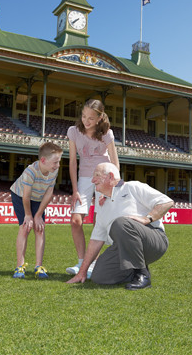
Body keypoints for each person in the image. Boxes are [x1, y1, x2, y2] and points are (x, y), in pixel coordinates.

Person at [67, 162, 174, 290]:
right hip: (123, 248)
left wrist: (147, 219)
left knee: (121, 223)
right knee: (99, 276)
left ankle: (142, 274)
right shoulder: (102, 205)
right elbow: (96, 240)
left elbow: (167, 202)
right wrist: (82, 272)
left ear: (110, 177)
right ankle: (132, 272)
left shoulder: (133, 187)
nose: (92, 180)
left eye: (97, 175)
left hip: (154, 242)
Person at [66, 99, 119, 278]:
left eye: (90, 118)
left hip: (104, 178)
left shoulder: (107, 134)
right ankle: (81, 262)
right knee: (75, 221)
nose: (86, 121)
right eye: (83, 116)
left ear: (99, 118)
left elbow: (114, 161)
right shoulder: (73, 132)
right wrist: (75, 189)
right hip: (84, 178)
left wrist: (112, 187)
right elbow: (73, 162)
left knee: (99, 223)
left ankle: (91, 265)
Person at [10, 141, 63, 279]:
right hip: (21, 196)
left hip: (38, 198)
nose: (58, 165)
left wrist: (38, 215)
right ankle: (19, 266)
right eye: (55, 162)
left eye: (59, 162)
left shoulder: (53, 170)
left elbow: (49, 193)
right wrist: (28, 215)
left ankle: (38, 267)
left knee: (40, 228)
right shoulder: (30, 171)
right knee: (25, 227)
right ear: (43, 160)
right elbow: (26, 196)